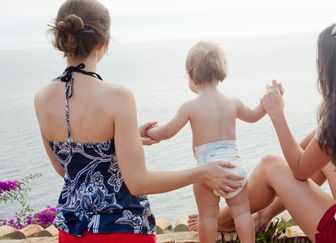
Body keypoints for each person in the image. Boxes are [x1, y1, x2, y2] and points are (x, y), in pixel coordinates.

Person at [188, 20, 336, 243]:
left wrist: (277, 114)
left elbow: (300, 171)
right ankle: (260, 216)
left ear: (328, 65)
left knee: (271, 165)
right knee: (315, 141)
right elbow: (318, 147)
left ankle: (222, 217)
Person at [34, 1, 243, 242]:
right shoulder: (118, 97)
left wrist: (127, 138)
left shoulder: (41, 99)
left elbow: (70, 171)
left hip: (72, 233)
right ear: (103, 44)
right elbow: (139, 183)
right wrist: (203, 172)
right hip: (122, 232)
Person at [141, 41, 264, 243]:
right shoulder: (233, 101)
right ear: (220, 71)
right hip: (234, 169)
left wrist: (148, 132)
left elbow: (167, 133)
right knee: (242, 213)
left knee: (208, 217)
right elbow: (253, 116)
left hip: (207, 170)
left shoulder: (190, 106)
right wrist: (266, 103)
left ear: (191, 75)